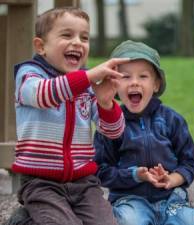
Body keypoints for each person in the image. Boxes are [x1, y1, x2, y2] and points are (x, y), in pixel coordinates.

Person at [5, 7, 130, 225]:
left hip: (83, 182)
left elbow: (113, 131)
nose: (77, 42)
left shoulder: (86, 85)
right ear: (41, 46)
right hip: (42, 181)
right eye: (66, 35)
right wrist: (88, 76)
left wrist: (105, 103)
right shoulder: (29, 75)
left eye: (84, 37)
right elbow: (44, 95)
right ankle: (23, 221)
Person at [94, 40, 194, 225]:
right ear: (114, 84)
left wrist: (172, 179)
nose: (134, 82)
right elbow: (101, 171)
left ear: (156, 84)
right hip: (130, 200)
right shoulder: (110, 125)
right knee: (129, 220)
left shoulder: (172, 120)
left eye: (143, 76)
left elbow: (189, 162)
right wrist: (135, 175)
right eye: (126, 77)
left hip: (172, 199)